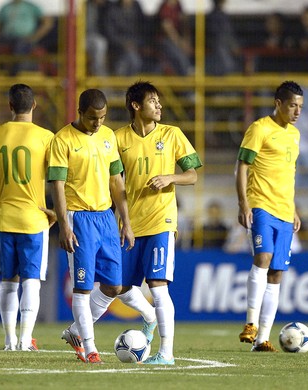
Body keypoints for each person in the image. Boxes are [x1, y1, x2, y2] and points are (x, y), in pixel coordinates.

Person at [114, 81, 202, 365]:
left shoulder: (172, 134)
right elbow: (114, 182)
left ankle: (166, 354)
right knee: (119, 287)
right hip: (129, 223)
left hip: (161, 221)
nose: (159, 105)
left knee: (157, 285)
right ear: (136, 106)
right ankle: (149, 316)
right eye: (153, 101)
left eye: (159, 101)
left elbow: (193, 175)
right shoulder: (118, 139)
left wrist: (170, 178)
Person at [48, 89, 134, 364]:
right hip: (78, 219)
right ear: (80, 112)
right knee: (82, 289)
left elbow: (117, 182)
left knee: (114, 287)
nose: (98, 123)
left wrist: (126, 222)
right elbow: (57, 187)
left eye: (103, 117)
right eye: (93, 118)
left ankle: (75, 332)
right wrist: (63, 226)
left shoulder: (108, 137)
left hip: (106, 218)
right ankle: (90, 347)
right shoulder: (62, 140)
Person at [0, 83, 55, 351]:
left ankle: (9, 341)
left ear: (10, 106)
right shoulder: (46, 137)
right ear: (34, 106)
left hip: (4, 218)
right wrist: (55, 211)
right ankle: (25, 340)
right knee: (31, 281)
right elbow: (60, 177)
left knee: (8, 282)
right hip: (34, 219)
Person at [236, 81, 303, 352]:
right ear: (278, 103)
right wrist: (243, 204)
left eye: (300, 107)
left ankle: (262, 339)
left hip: (285, 212)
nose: (297, 111)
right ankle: (250, 323)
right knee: (262, 258)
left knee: (277, 274)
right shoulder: (260, 128)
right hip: (261, 204)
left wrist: (295, 208)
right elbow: (242, 166)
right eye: (292, 106)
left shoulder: (295, 135)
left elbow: (288, 174)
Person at [0, 0, 54, 75]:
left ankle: (15, 71)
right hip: (8, 39)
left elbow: (47, 23)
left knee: (20, 45)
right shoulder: (5, 8)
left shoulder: (31, 7)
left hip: (24, 40)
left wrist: (35, 37)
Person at [104, 0, 145, 76]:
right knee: (131, 61)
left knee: (134, 61)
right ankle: (119, 84)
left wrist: (135, 43)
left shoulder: (137, 8)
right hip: (117, 47)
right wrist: (123, 43)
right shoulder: (112, 10)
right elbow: (110, 33)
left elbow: (144, 30)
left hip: (135, 46)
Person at [158, 0, 192, 75]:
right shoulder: (164, 7)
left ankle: (188, 75)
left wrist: (186, 41)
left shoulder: (178, 6)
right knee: (180, 57)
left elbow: (185, 23)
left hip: (178, 40)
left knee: (186, 55)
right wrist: (180, 43)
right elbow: (168, 28)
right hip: (165, 40)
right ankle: (185, 81)